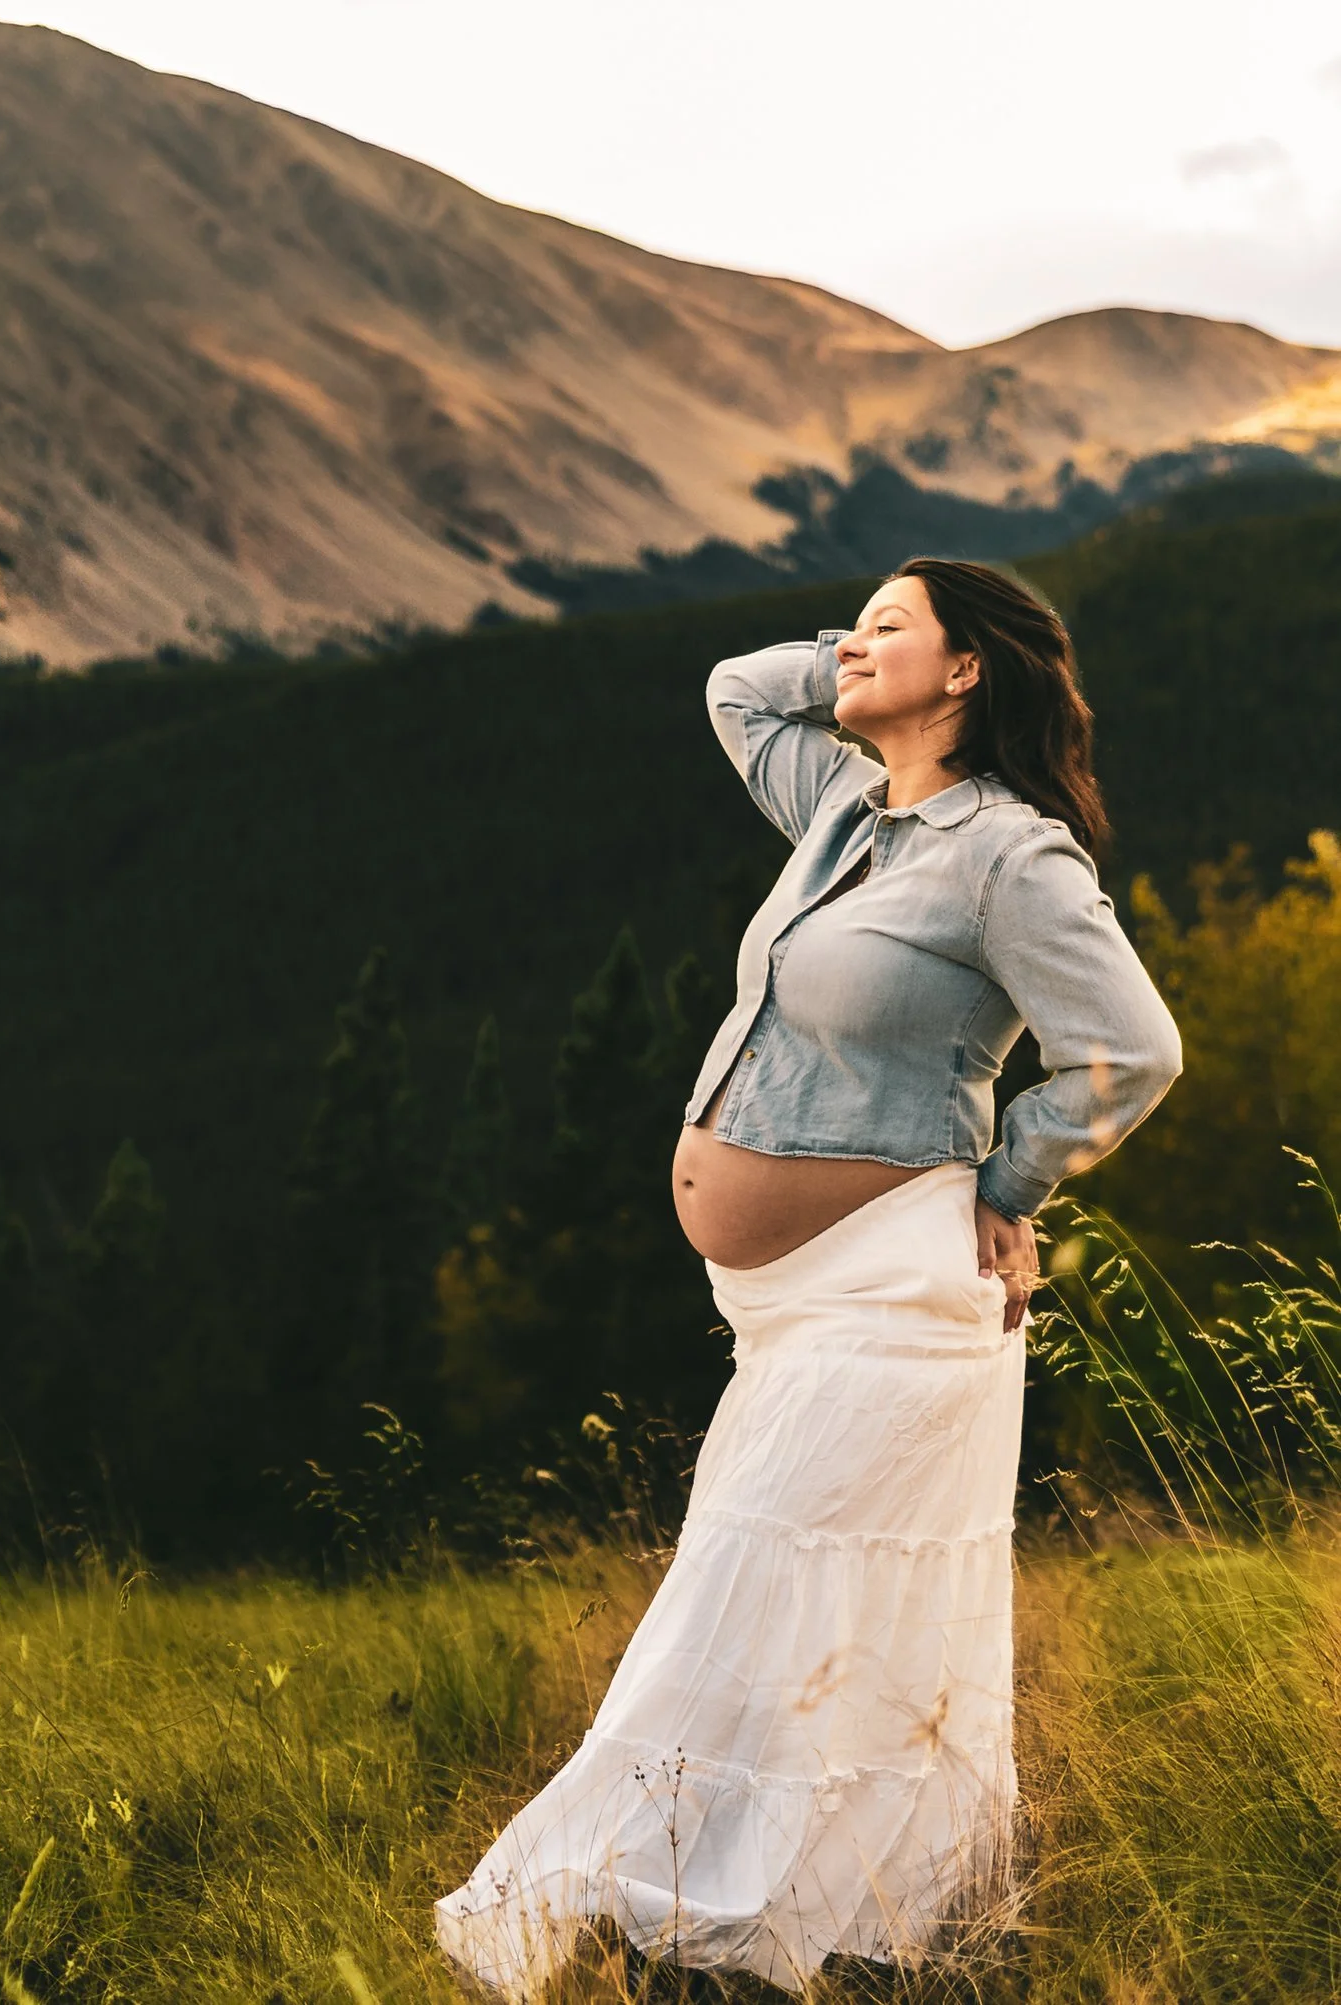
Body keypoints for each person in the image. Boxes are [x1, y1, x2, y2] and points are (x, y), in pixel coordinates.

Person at [434, 557, 1182, 1996]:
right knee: (809, 1605)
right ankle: (828, 1929)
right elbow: (736, 689)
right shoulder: (843, 806)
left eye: (894, 628)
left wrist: (1008, 1188)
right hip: (790, 1307)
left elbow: (1132, 1052)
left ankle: (700, 1918)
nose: (851, 650)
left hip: (896, 1290)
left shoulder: (1010, 857)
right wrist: (867, 653)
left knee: (757, 1582)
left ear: (969, 671)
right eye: (858, 626)